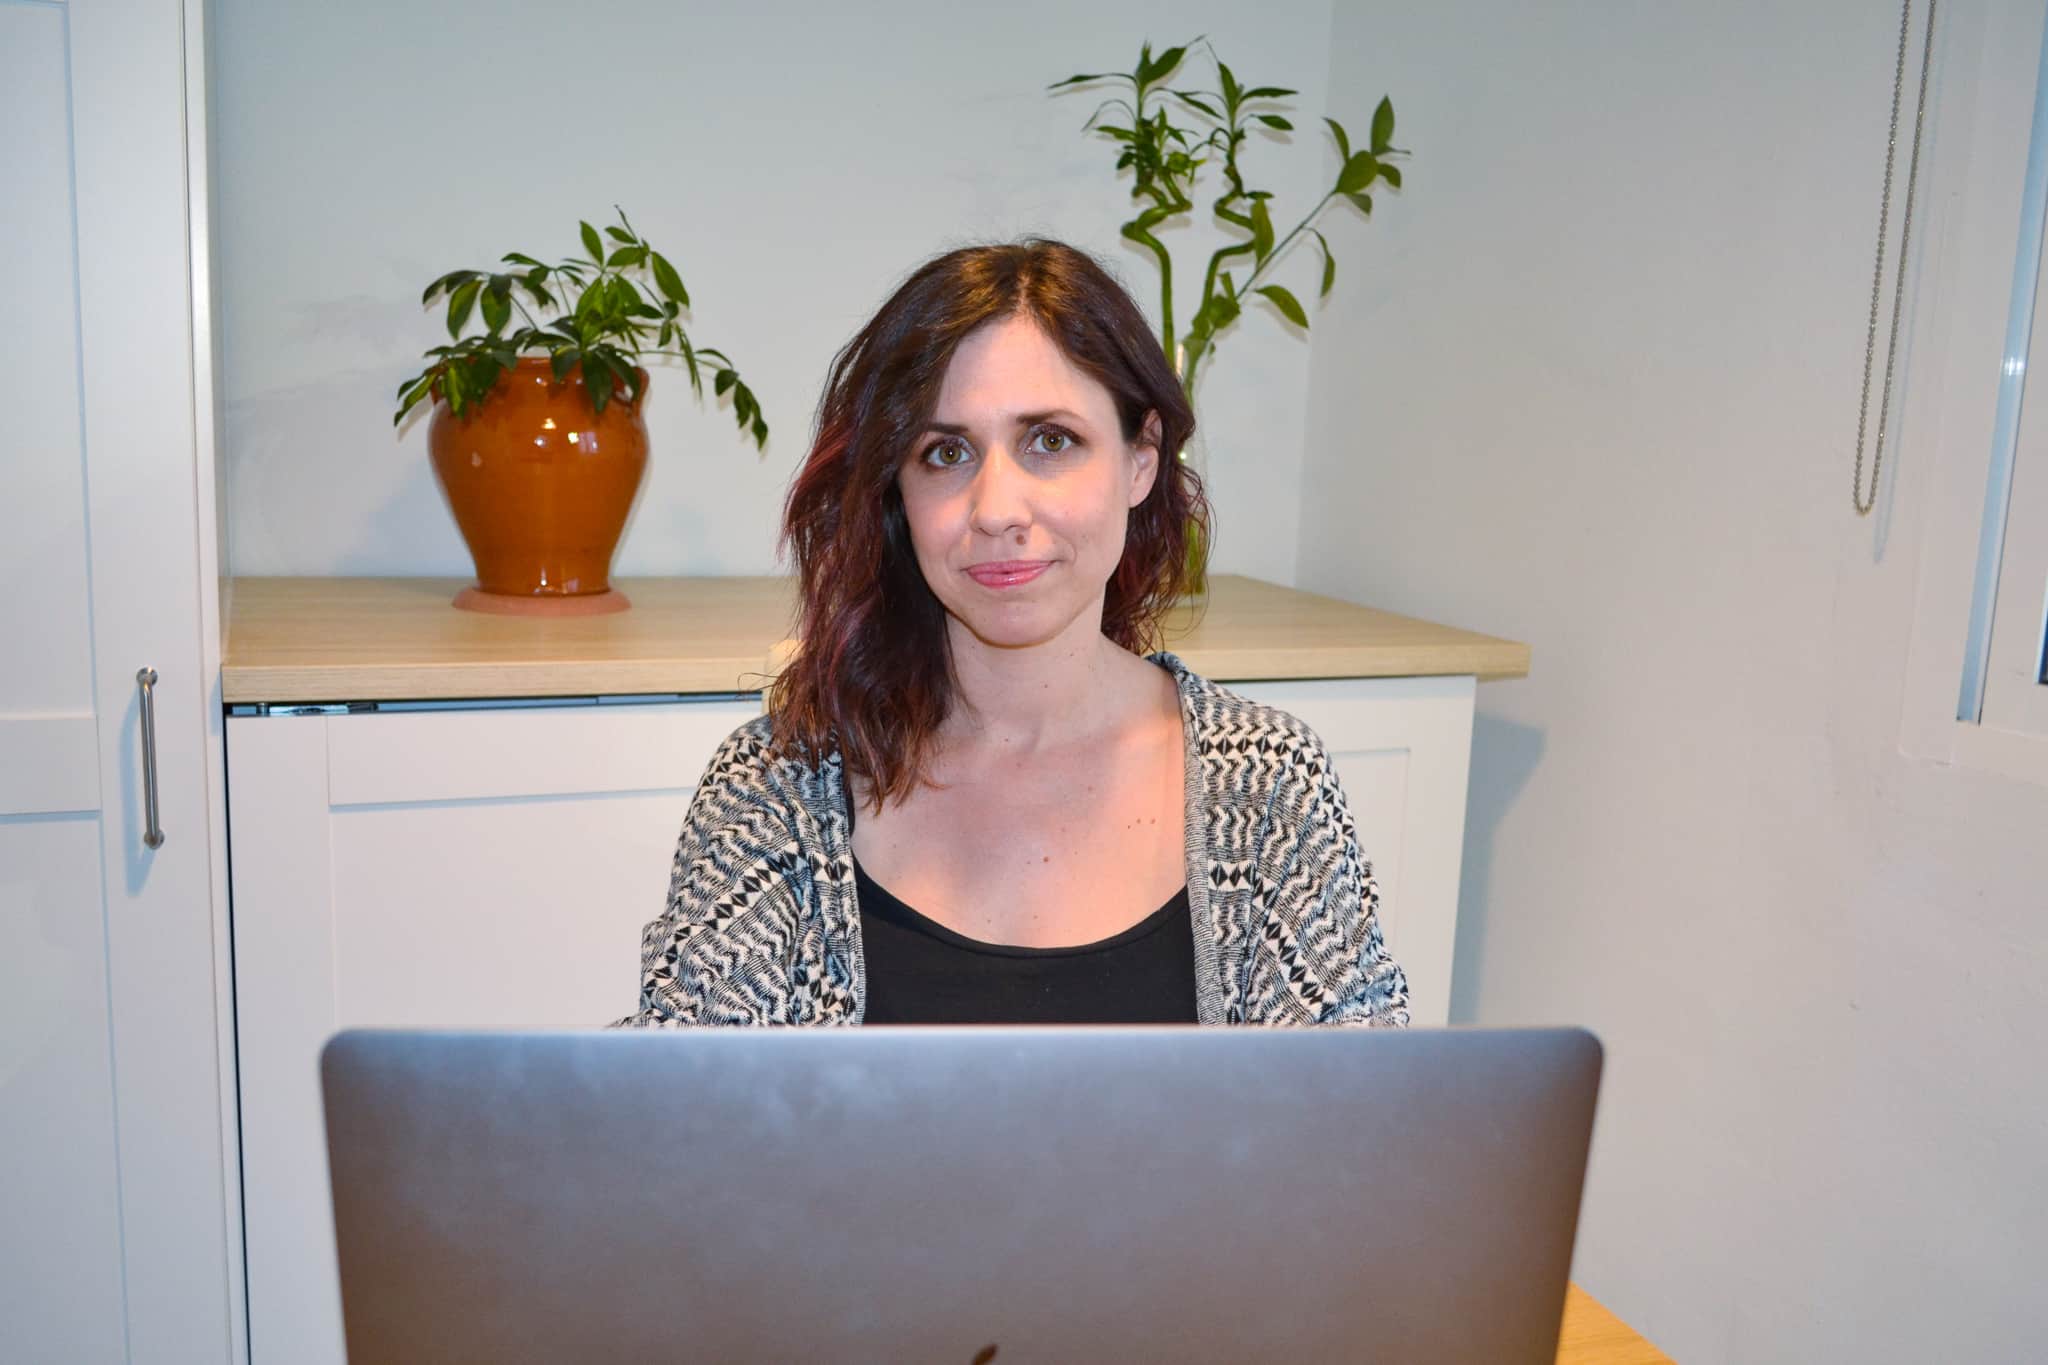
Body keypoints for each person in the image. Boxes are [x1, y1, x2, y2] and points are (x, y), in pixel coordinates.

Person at [612, 238, 1407, 1028]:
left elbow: (1365, 1123)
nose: (996, 509)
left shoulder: (1268, 789)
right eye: (945, 452)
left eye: (1050, 440)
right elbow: (675, 1119)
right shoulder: (775, 789)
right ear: (898, 494)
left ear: (1142, 458)